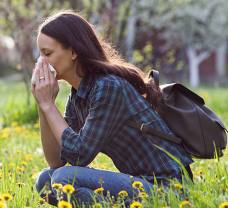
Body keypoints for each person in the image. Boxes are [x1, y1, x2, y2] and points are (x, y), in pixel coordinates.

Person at [33, 10, 193, 207]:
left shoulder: (107, 86)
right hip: (141, 184)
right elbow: (56, 161)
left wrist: (49, 106)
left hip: (169, 189)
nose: (40, 62)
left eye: (47, 53)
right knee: (45, 181)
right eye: (40, 54)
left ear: (73, 52)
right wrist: (43, 105)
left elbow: (79, 155)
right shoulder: (78, 95)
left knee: (64, 179)